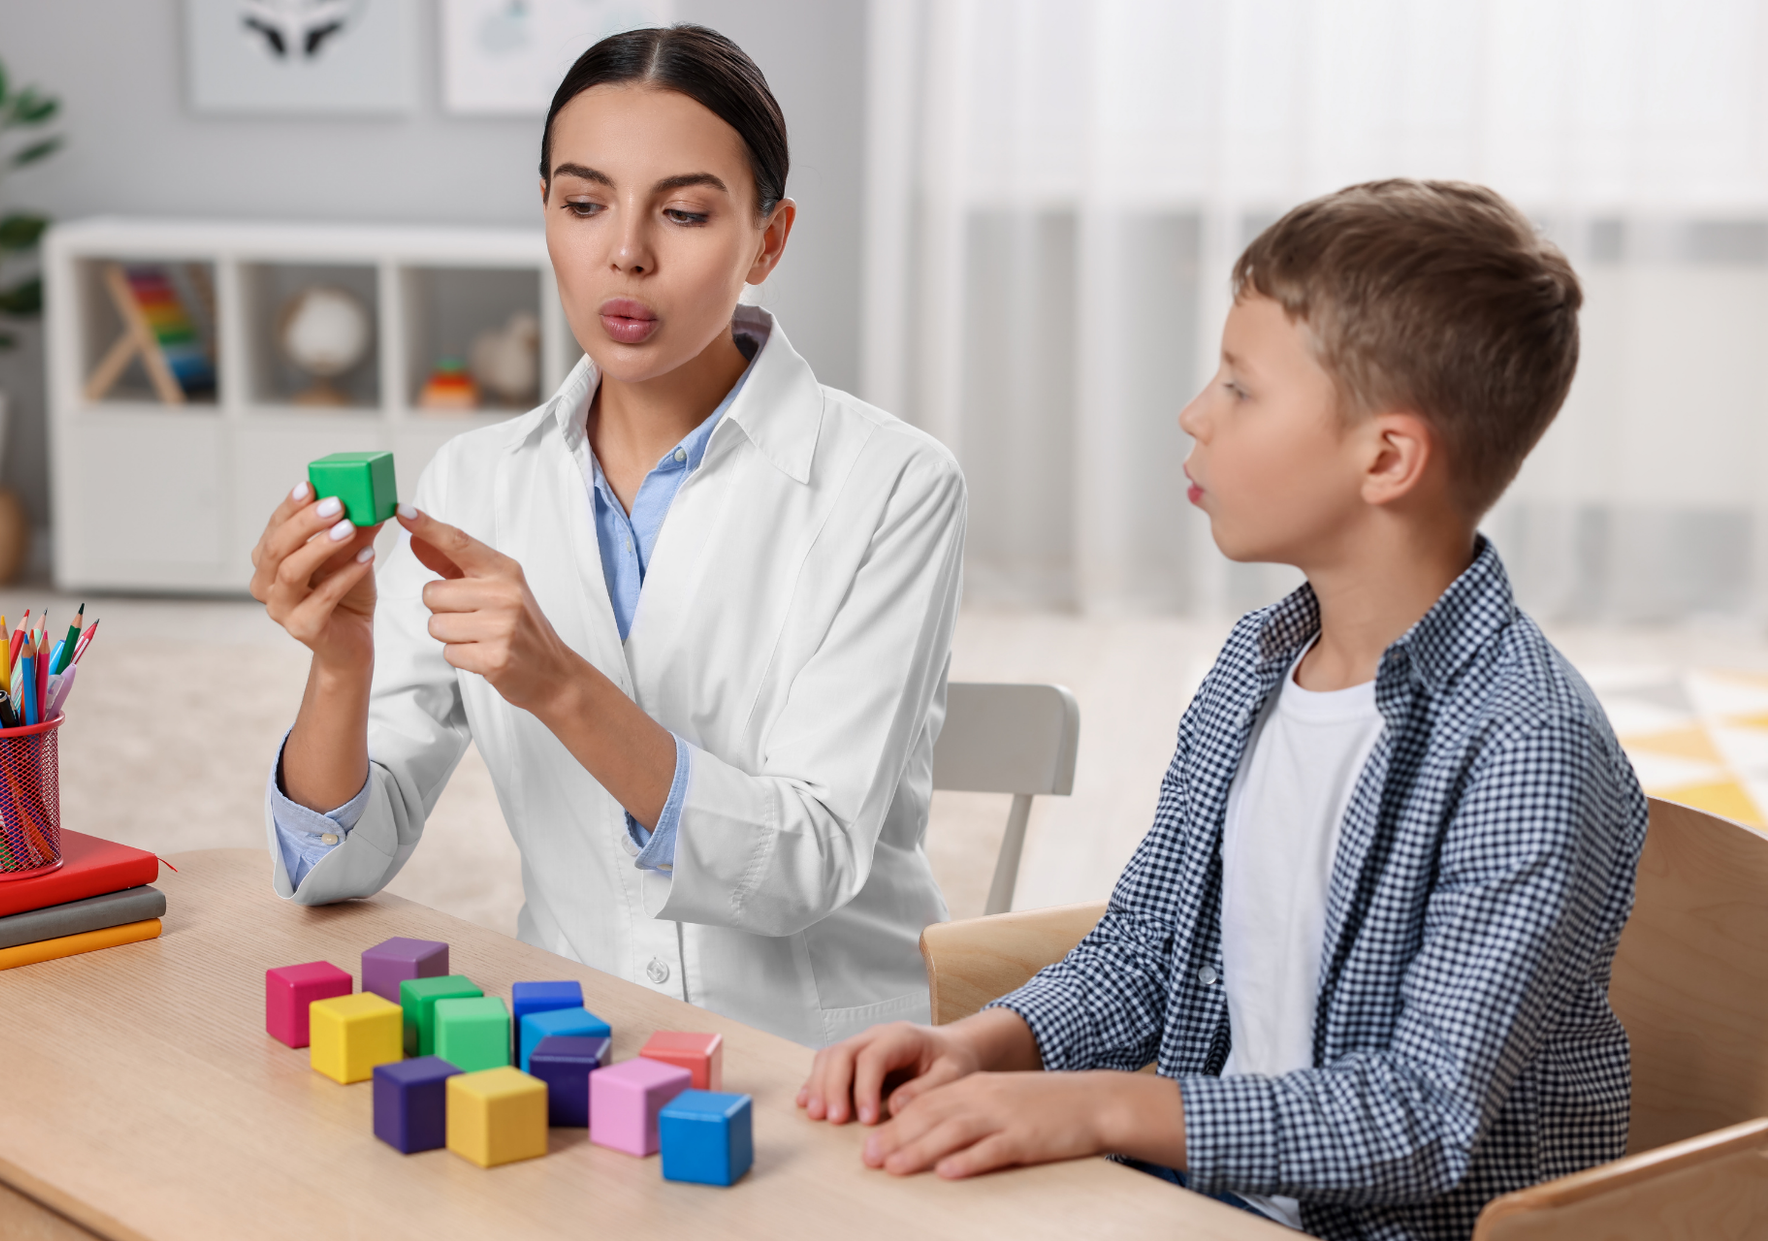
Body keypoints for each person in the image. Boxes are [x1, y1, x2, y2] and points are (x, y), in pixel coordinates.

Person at [797, 180, 1647, 1240]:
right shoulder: (1257, 663)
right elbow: (1150, 944)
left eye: (1241, 387)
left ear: (1387, 456)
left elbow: (1419, 1115)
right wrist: (988, 1042)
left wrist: (1100, 1105)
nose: (1196, 411)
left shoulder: (1526, 744)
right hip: (1207, 1202)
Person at [248, 25, 963, 1048]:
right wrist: (339, 662)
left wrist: (559, 684)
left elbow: (806, 860)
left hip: (825, 1062)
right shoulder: (477, 483)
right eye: (584, 205)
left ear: (769, 237)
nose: (625, 250)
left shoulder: (895, 484)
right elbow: (335, 864)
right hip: (577, 1046)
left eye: (683, 212)